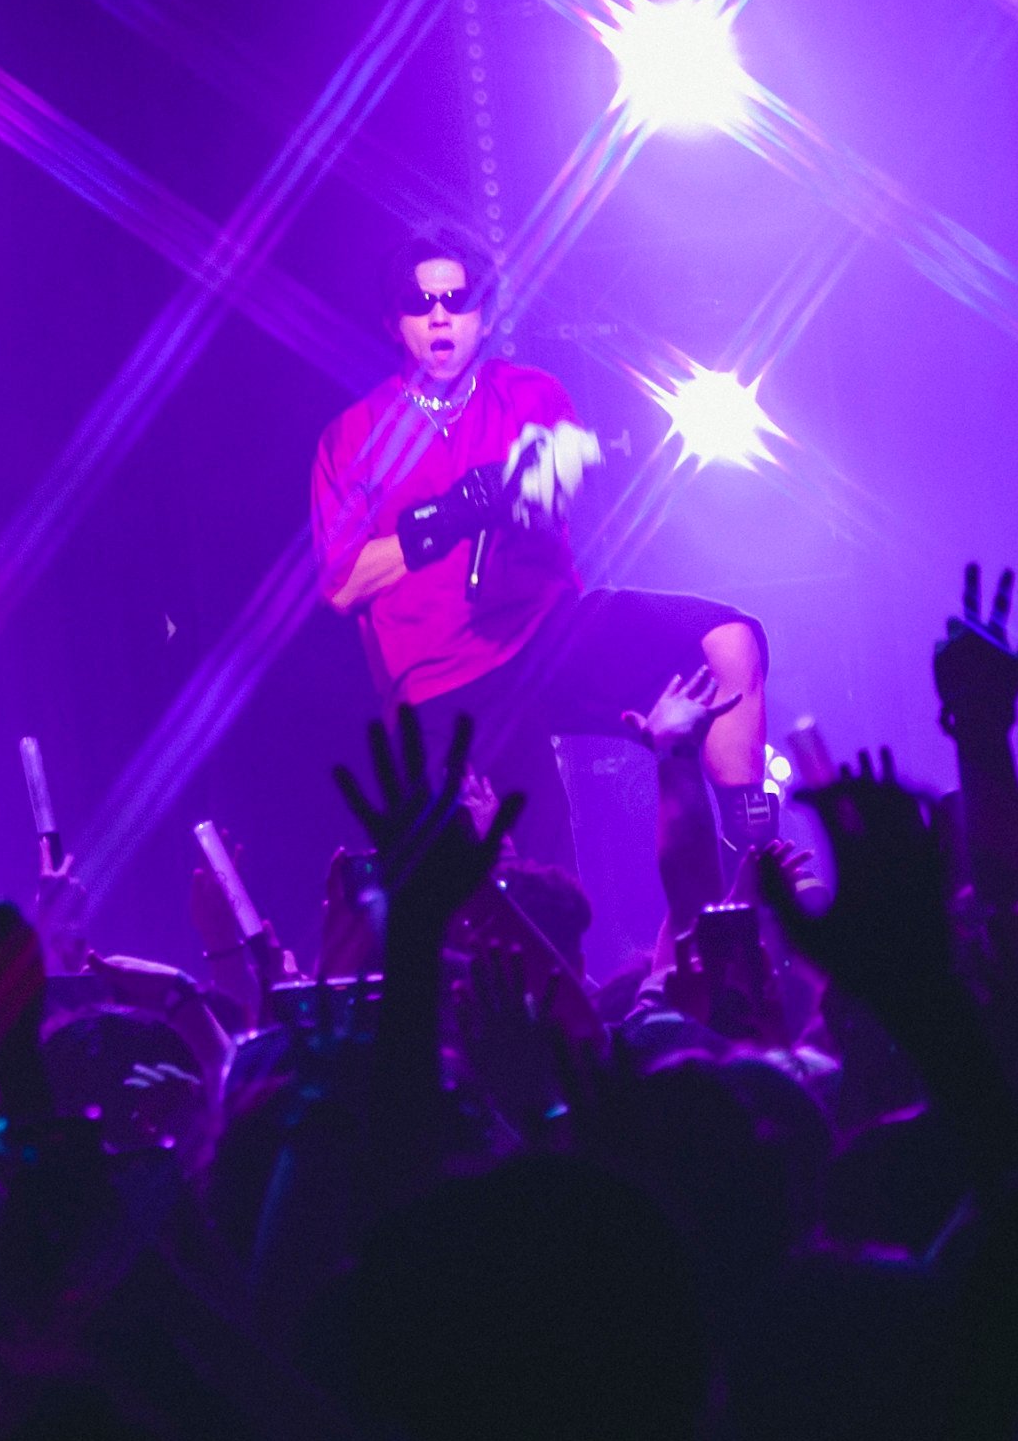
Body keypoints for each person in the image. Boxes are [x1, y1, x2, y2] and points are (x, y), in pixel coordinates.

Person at [312, 229, 775, 926]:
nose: (439, 314)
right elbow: (344, 584)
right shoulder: (352, 434)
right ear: (393, 321)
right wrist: (450, 513)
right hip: (444, 683)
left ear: (483, 315)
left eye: (455, 298)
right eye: (419, 301)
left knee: (726, 639)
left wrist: (535, 485)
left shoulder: (526, 393)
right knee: (539, 891)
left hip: (543, 634)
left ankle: (752, 883)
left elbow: (558, 475)